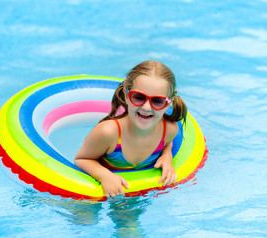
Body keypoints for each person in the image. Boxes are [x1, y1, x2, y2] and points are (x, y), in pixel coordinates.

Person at [75, 60, 187, 198]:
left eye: (157, 101)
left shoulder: (169, 130)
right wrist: (104, 176)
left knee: (130, 220)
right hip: (91, 189)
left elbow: (168, 142)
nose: (146, 107)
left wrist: (167, 155)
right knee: (86, 219)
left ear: (168, 103)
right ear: (126, 95)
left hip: (131, 193)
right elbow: (81, 159)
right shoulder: (109, 132)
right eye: (138, 97)